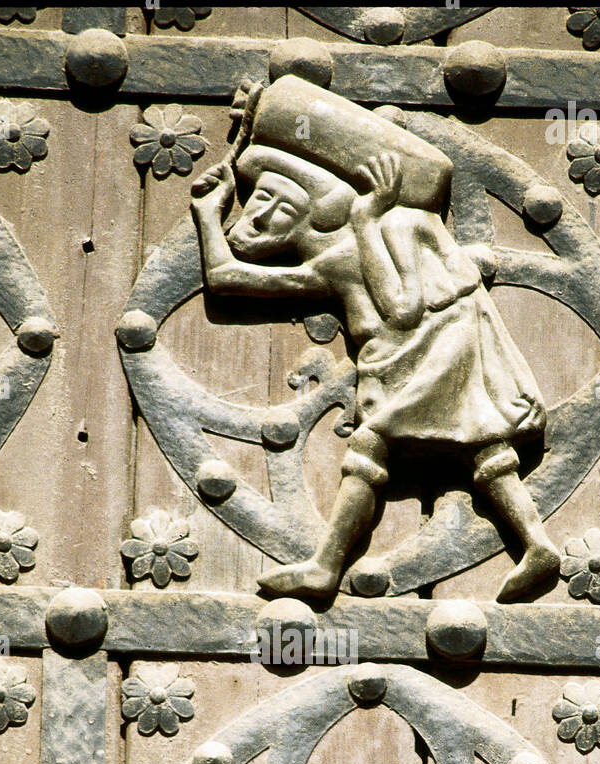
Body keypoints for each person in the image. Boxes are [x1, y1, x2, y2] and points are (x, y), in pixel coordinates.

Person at [191, 80, 559, 602]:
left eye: (276, 202)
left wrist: (366, 219)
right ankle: (537, 545)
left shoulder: (378, 236)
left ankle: (324, 567)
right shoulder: (335, 260)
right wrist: (209, 217)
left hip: (431, 350)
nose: (259, 214)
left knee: (371, 444)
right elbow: (229, 280)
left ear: (314, 211)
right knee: (484, 444)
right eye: (261, 198)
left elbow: (404, 309)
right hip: (401, 358)